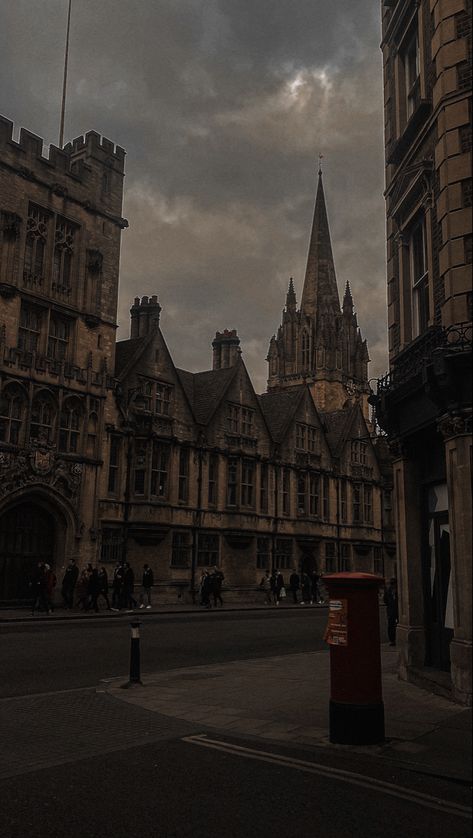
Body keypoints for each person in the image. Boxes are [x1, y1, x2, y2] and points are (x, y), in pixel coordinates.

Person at [384, 578, 399, 646]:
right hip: (391, 610)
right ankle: (392, 640)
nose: (393, 585)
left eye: (394, 584)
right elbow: (385, 600)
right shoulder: (388, 591)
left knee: (396, 624)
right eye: (392, 584)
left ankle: (396, 639)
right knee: (391, 626)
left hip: (397, 610)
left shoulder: (398, 591)